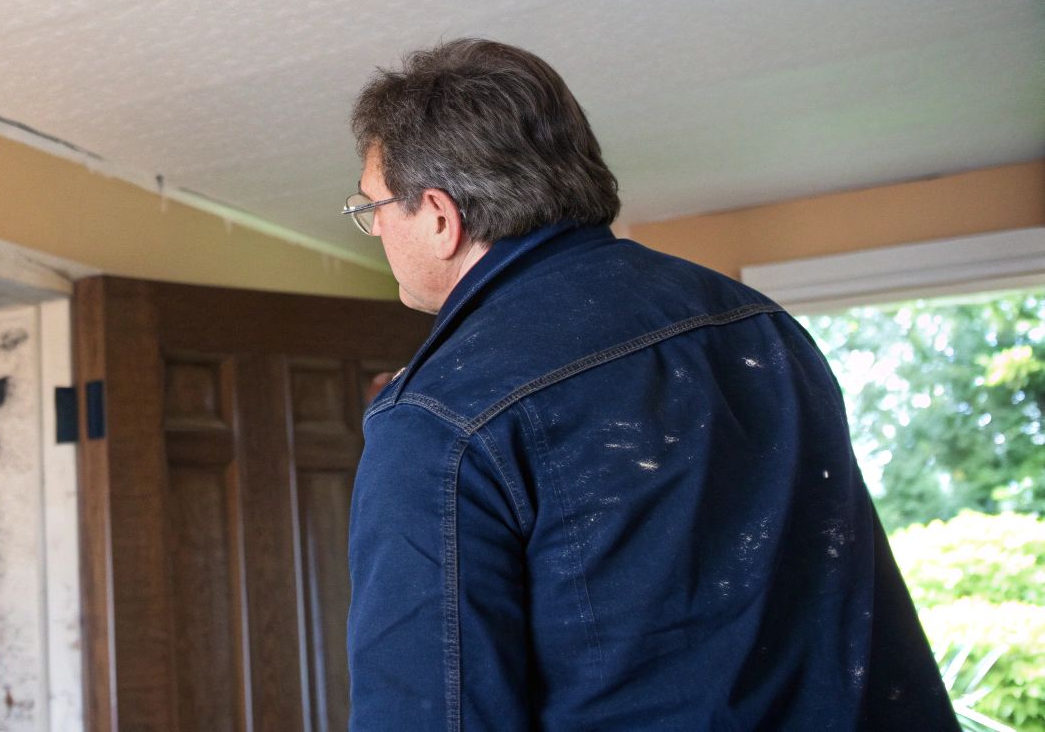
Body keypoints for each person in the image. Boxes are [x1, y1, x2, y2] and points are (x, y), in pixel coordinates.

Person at [343, 39, 954, 730]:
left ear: (439, 215)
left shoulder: (440, 414)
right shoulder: (761, 325)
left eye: (374, 206)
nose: (375, 228)